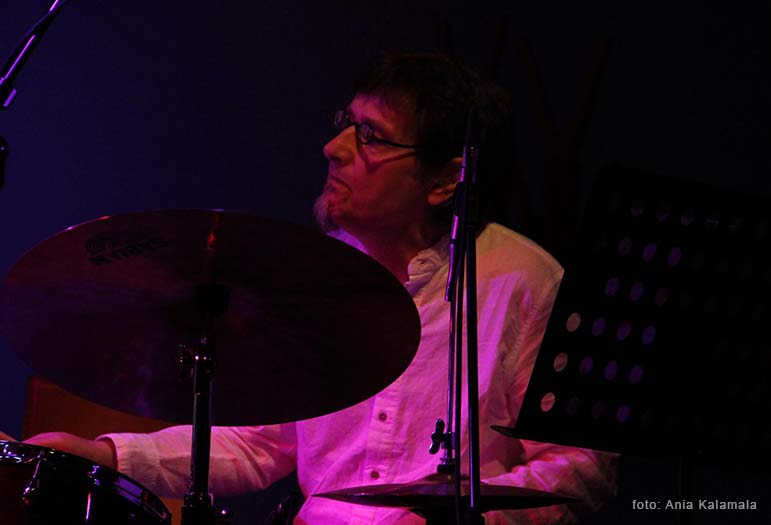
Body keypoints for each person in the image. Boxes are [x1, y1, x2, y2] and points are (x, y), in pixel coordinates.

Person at [6, 51, 616, 524]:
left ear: (445, 180)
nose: (333, 148)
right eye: (345, 124)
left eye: (370, 135)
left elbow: (579, 467)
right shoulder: (321, 276)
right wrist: (107, 457)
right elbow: (262, 443)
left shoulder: (524, 282)